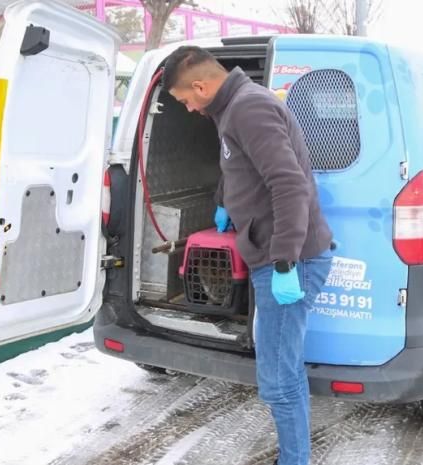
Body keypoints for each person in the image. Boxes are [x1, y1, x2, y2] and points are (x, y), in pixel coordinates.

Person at [162, 46, 334, 465]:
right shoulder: (230, 109)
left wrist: (284, 260)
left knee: (278, 381)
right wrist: (226, 201)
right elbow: (239, 167)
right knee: (285, 371)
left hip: (289, 261)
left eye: (185, 99)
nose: (187, 108)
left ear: (200, 85)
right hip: (272, 253)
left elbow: (289, 185)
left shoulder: (248, 108)